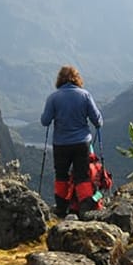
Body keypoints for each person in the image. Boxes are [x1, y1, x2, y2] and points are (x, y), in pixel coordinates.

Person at [41, 65, 103, 217]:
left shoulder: (53, 97)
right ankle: (84, 208)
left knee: (61, 174)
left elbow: (45, 121)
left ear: (60, 80)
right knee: (82, 175)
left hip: (61, 144)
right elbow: (97, 120)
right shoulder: (85, 95)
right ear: (77, 79)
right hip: (82, 143)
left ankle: (61, 208)